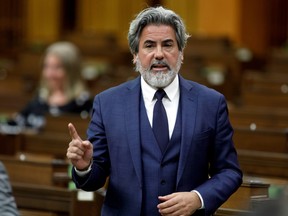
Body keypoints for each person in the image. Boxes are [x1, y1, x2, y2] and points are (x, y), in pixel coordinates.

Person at [66, 6, 242, 216]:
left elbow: (229, 171)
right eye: (149, 45)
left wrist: (198, 197)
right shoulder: (108, 103)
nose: (159, 54)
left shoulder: (211, 103)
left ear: (181, 53)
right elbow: (94, 178)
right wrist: (84, 167)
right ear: (135, 55)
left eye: (168, 45)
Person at [4, 41, 92, 131]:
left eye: (57, 67)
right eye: (47, 66)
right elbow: (15, 123)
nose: (50, 74)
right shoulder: (40, 98)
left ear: (72, 71)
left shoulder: (84, 105)